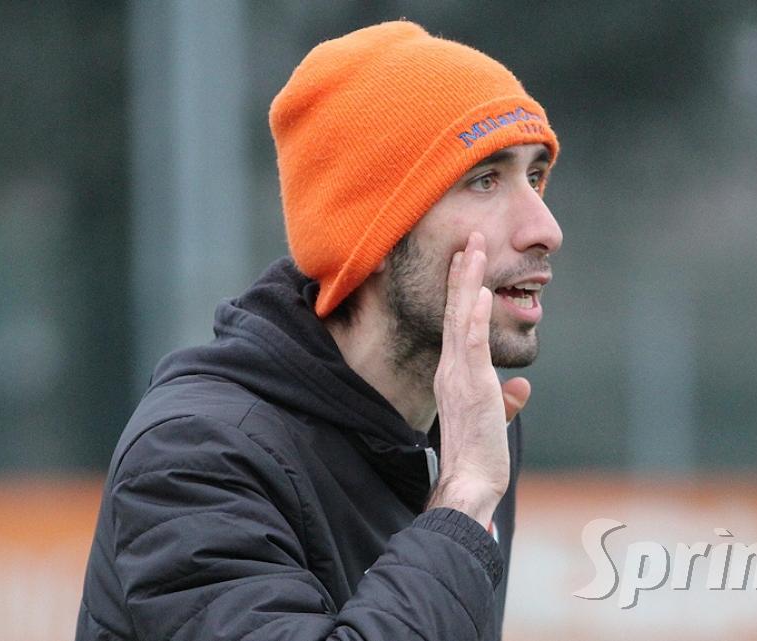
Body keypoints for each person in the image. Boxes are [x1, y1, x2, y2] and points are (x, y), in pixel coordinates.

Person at [76, 20, 563, 641]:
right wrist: (462, 501)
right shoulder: (195, 457)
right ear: (375, 237)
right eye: (485, 179)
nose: (545, 228)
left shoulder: (467, 425)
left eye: (535, 176)